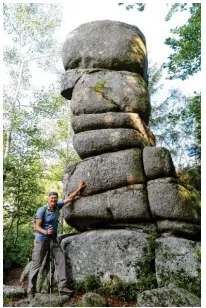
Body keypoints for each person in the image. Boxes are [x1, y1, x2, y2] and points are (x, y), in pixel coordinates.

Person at [27, 180, 86, 299]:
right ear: (48, 199)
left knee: (61, 259)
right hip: (41, 240)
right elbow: (36, 227)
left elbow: (69, 199)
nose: (53, 200)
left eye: (55, 198)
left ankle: (63, 289)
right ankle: (30, 291)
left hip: (53, 239)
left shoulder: (58, 206)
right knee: (36, 264)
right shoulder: (42, 210)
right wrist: (45, 231)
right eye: (52, 198)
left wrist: (79, 189)